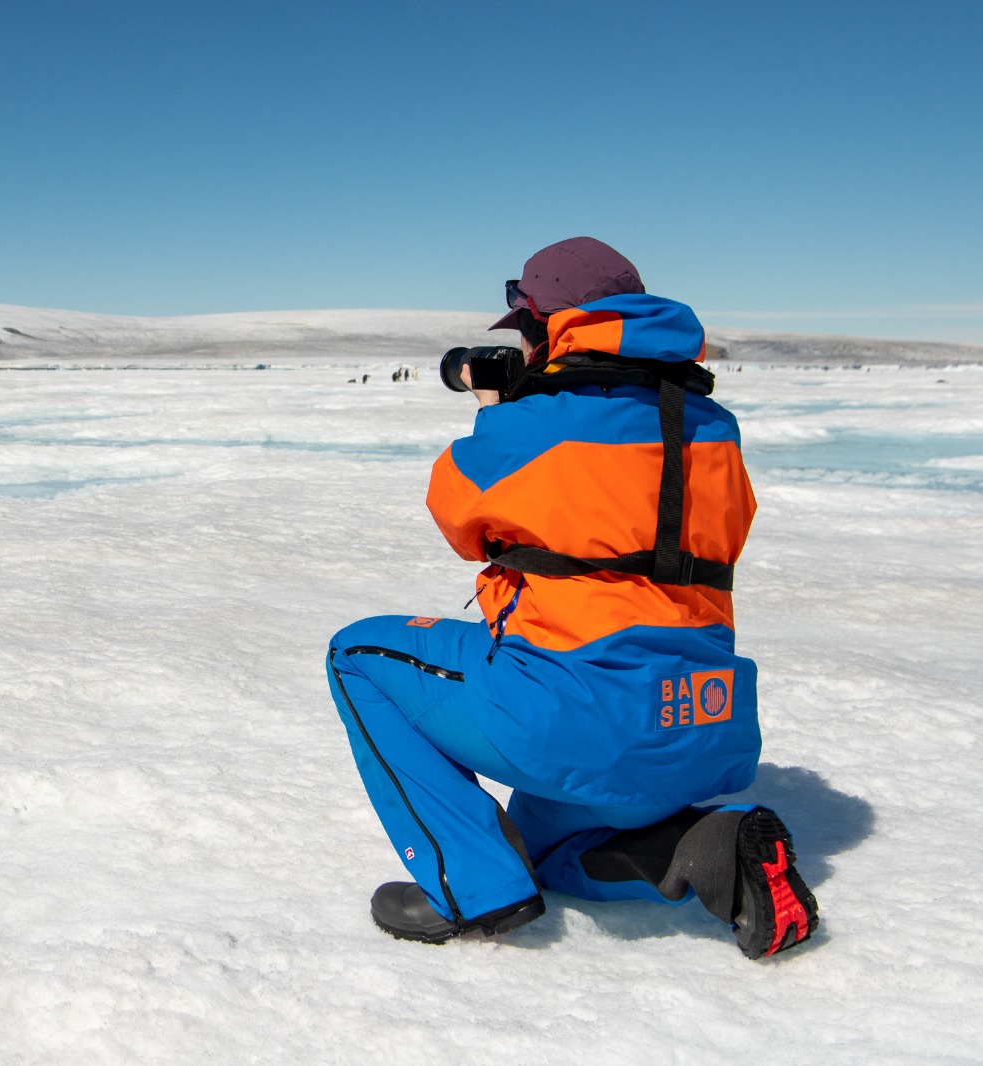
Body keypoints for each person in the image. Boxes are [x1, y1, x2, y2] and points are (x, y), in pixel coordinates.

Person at [326, 236, 819, 960]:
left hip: (579, 716)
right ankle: (705, 848)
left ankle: (471, 891)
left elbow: (459, 515)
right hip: (704, 721)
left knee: (357, 654)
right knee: (554, 854)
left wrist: (500, 408)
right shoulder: (712, 426)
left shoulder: (537, 424)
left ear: (547, 326)